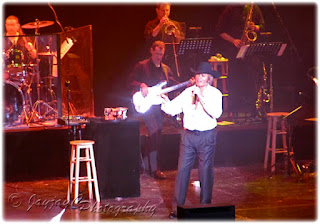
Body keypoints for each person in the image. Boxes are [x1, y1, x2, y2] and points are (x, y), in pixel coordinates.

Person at [160, 62, 222, 218]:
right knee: (182, 172)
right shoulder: (188, 92)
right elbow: (172, 109)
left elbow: (216, 113)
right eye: (198, 75)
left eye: (203, 75)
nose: (200, 78)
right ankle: (176, 209)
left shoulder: (215, 94)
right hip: (188, 137)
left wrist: (201, 98)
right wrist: (164, 101)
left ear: (209, 78)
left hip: (206, 137)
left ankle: (205, 207)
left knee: (205, 172)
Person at [128, 40, 177, 180]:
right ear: (151, 51)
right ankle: (155, 169)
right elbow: (130, 81)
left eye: (161, 54)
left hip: (159, 107)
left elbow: (172, 83)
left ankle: (147, 164)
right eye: (156, 54)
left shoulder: (166, 69)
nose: (158, 57)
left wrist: (189, 83)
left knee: (156, 135)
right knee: (154, 133)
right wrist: (142, 85)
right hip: (147, 106)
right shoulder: (142, 66)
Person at [216, 3, 265, 119]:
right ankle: (233, 110)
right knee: (234, 79)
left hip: (250, 50)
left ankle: (252, 108)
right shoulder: (230, 8)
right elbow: (220, 30)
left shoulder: (253, 7)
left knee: (252, 78)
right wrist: (233, 40)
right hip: (234, 50)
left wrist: (255, 27)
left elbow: (263, 26)